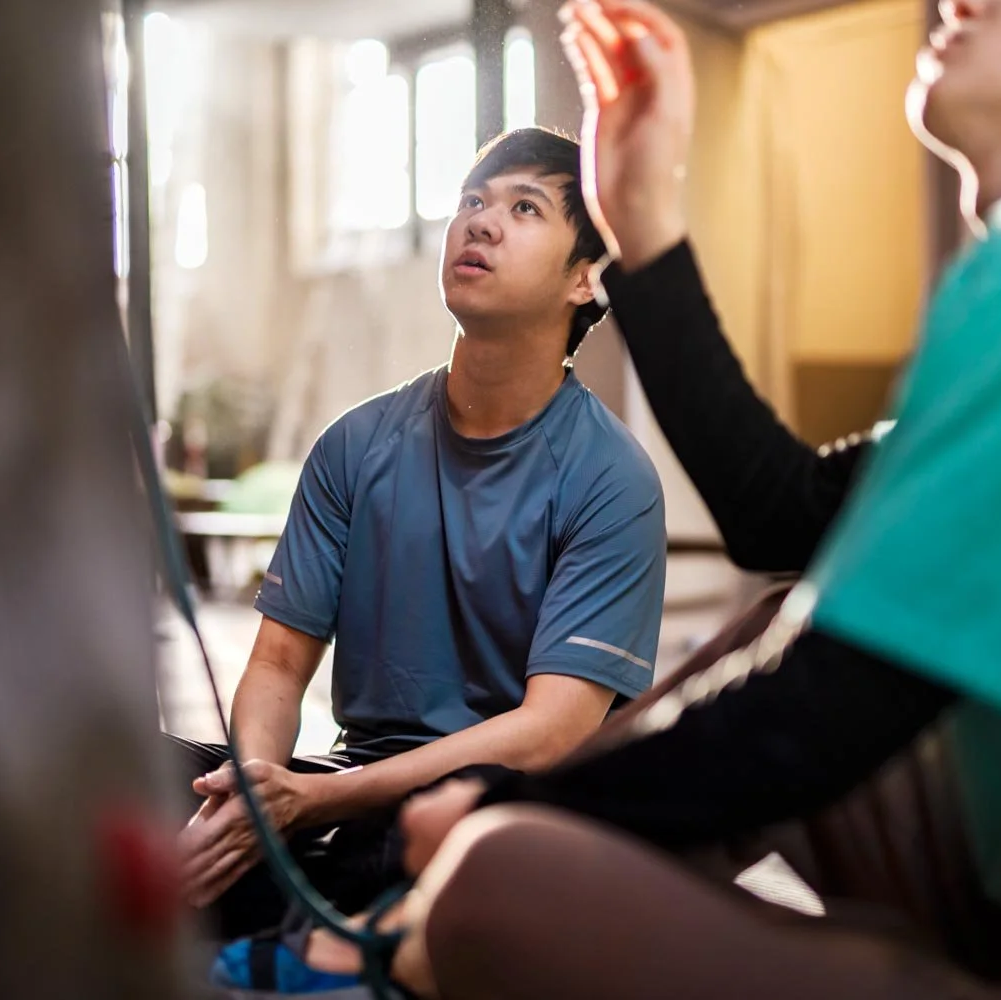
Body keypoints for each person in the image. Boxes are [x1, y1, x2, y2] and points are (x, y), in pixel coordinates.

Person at [274, 0, 1001, 996]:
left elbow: (836, 701)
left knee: (499, 885)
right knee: (767, 637)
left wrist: (511, 811)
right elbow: (790, 513)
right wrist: (641, 214)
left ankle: (418, 923)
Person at [169, 126, 667, 941]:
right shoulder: (355, 445)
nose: (481, 222)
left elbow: (550, 733)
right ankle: (327, 927)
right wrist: (253, 796)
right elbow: (278, 664)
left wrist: (316, 802)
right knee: (133, 777)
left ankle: (314, 927)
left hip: (501, 806)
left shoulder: (611, 478)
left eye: (524, 208)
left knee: (468, 845)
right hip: (352, 787)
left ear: (585, 278)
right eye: (472, 200)